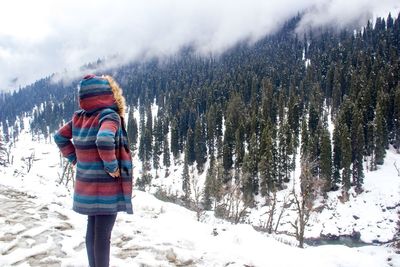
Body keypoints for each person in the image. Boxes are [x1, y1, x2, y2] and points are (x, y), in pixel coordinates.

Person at [54, 74, 133, 267]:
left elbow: (59, 137)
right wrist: (111, 166)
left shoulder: (78, 118)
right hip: (106, 189)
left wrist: (76, 159)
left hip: (87, 187)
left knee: (92, 232)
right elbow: (104, 139)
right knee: (103, 236)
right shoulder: (109, 115)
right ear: (108, 94)